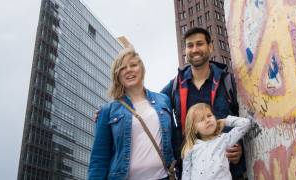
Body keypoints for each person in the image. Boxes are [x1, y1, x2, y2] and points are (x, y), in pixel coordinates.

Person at [161, 27, 246, 178]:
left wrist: (242, 149)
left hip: (229, 173)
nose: (194, 49)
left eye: (199, 44)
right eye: (190, 45)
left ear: (210, 47)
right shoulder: (175, 85)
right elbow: (155, 107)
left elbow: (247, 118)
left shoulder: (228, 81)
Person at [88, 47, 176, 180]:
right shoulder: (108, 111)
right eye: (123, 68)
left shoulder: (163, 100)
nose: (128, 70)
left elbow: (175, 141)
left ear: (142, 69)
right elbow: (99, 158)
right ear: (117, 75)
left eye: (133, 65)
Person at [180, 103, 252, 180]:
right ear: (194, 129)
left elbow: (245, 123)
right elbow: (186, 175)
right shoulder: (190, 148)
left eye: (209, 116)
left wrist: (225, 121)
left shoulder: (224, 139)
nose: (207, 120)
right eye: (201, 119)